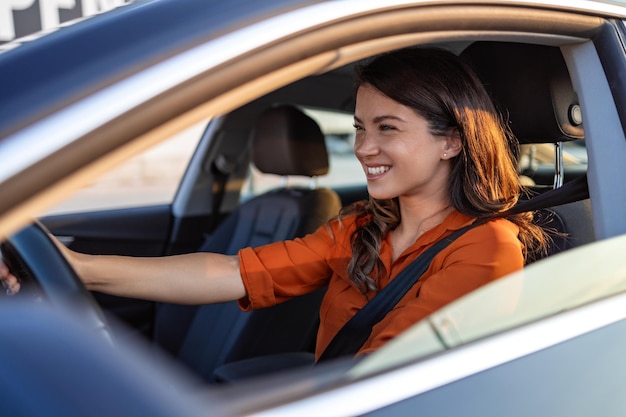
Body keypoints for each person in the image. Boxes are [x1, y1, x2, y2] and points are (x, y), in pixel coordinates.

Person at [0, 47, 548, 360]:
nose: (363, 148)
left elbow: (389, 379)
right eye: (358, 128)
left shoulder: (487, 247)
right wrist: (76, 268)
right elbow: (229, 274)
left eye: (387, 128)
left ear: (451, 140)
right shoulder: (361, 227)